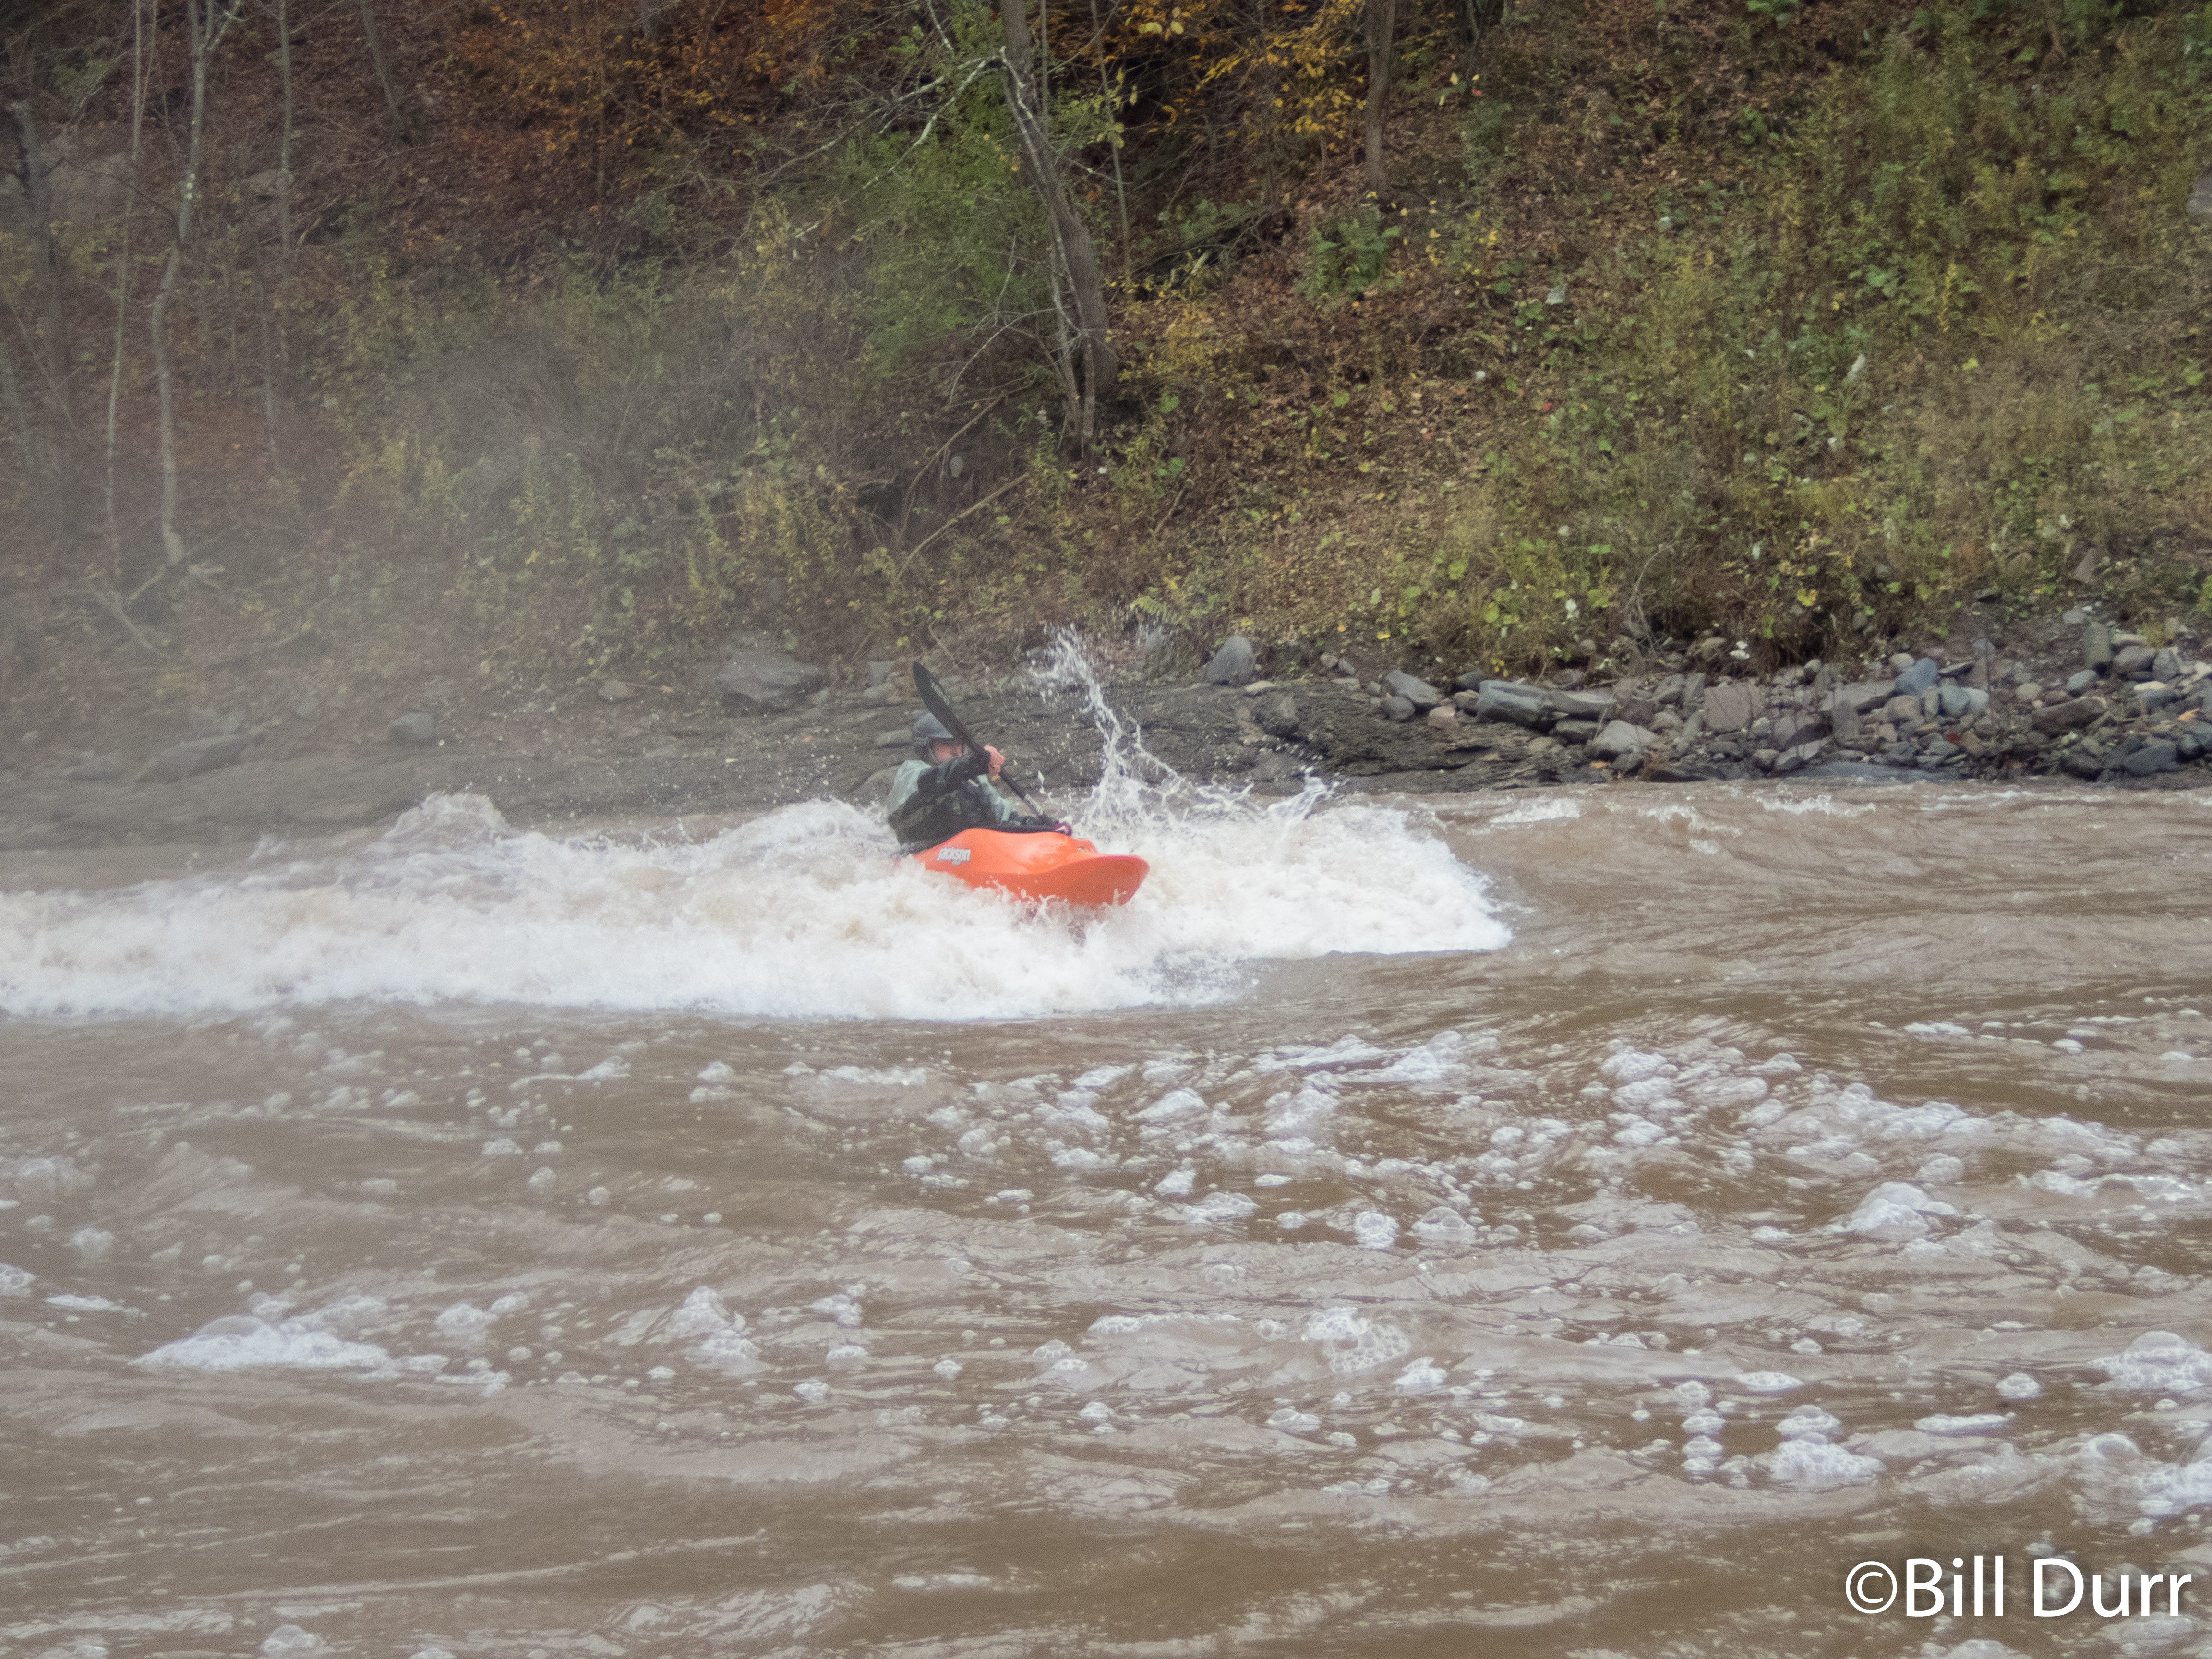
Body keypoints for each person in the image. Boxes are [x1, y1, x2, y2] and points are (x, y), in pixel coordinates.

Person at [887, 713, 1069, 849]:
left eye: (959, 744)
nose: (956, 751)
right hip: (924, 857)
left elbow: (1005, 820)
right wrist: (973, 763)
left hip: (975, 854)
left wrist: (1045, 828)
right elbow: (932, 783)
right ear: (926, 748)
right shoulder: (912, 774)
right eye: (947, 744)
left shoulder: (974, 781)